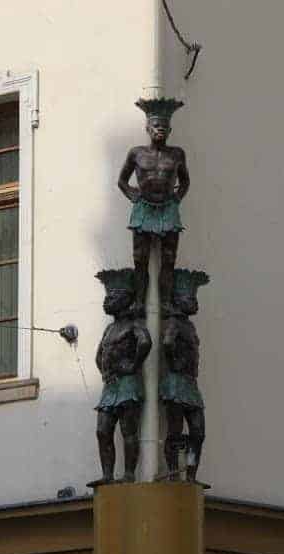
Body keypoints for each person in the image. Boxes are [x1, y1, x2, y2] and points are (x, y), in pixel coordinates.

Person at [118, 98, 190, 316]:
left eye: (164, 127)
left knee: (169, 259)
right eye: (156, 126)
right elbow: (122, 180)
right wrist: (132, 194)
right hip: (144, 207)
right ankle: (139, 302)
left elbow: (185, 181)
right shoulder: (136, 153)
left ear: (170, 130)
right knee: (140, 259)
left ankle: (166, 303)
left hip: (168, 207)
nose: (160, 130)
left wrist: (177, 198)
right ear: (148, 129)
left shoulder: (177, 154)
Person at [94, 269, 152, 483]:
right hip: (111, 386)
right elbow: (99, 354)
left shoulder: (134, 324)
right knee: (102, 430)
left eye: (113, 296)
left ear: (126, 300)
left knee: (128, 430)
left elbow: (145, 342)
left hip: (128, 384)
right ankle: (107, 475)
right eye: (108, 295)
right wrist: (105, 372)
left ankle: (129, 474)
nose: (107, 300)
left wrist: (133, 365)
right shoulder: (110, 328)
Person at [161, 269, 209, 482]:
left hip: (190, 384)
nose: (194, 303)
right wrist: (174, 362)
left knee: (198, 432)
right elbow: (167, 342)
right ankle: (173, 472)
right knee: (175, 431)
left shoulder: (188, 325)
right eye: (190, 298)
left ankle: (190, 471)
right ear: (179, 300)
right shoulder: (175, 323)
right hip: (176, 384)